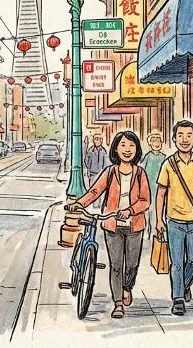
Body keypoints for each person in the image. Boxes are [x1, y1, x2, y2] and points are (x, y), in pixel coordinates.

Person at [68, 130, 150, 319]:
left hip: (134, 225)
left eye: (131, 146)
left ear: (137, 149)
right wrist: (79, 203)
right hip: (112, 225)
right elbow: (95, 191)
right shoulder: (110, 172)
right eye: (123, 145)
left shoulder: (140, 173)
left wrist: (129, 210)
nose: (127, 149)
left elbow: (145, 200)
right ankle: (118, 303)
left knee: (132, 265)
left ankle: (127, 287)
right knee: (115, 265)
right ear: (116, 149)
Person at [156, 120, 193, 316]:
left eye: (189, 135)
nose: (184, 139)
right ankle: (178, 299)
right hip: (173, 221)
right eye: (180, 135)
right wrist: (159, 220)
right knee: (177, 263)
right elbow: (161, 193)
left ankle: (184, 284)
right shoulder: (168, 164)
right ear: (174, 139)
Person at [139, 132, 167, 233]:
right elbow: (141, 170)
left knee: (158, 208)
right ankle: (147, 228)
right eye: (154, 141)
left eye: (158, 141)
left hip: (160, 187)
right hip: (148, 187)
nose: (156, 143)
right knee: (148, 209)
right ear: (150, 144)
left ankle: (157, 229)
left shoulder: (164, 157)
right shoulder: (148, 156)